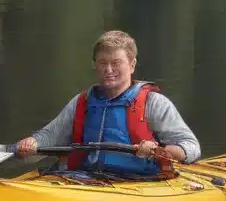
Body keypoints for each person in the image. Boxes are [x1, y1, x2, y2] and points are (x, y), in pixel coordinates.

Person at [15, 30, 201, 177]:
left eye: (116, 62)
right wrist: (31, 145)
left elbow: (191, 147)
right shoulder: (83, 102)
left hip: (141, 180)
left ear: (132, 64)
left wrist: (161, 151)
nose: (108, 69)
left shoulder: (154, 103)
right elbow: (50, 136)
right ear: (95, 64)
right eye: (102, 62)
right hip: (85, 177)